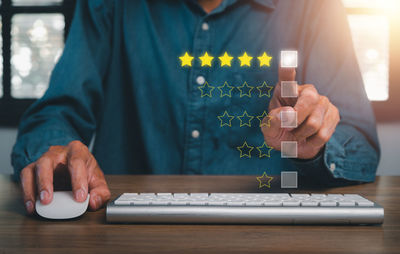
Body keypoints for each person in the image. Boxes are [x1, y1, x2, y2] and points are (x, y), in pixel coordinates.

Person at [12, 0, 380, 214]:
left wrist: (315, 143)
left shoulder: (313, 7)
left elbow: (360, 147)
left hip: (274, 238)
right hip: (123, 240)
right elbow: (54, 114)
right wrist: (57, 152)